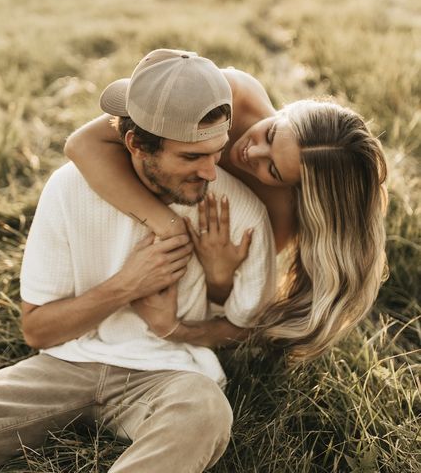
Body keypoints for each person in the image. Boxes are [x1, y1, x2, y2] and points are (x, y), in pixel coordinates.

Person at [0, 50, 277, 473]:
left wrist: (194, 306)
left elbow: (248, 333)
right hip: (66, 365)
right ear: (137, 144)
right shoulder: (68, 189)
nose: (211, 173)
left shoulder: (240, 211)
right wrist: (126, 285)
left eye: (216, 152)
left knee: (206, 412)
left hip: (170, 375)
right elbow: (37, 330)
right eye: (191, 157)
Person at [65, 50, 388, 362]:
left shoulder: (278, 212)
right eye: (271, 135)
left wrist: (218, 279)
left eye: (272, 170)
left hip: (173, 292)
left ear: (297, 188)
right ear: (287, 112)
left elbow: (239, 310)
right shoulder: (230, 91)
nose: (252, 153)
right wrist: (169, 226)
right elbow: (83, 143)